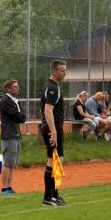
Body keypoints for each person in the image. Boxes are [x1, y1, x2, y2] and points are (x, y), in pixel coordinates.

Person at [40, 60, 67, 206]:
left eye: (65, 70)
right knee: (53, 160)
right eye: (62, 70)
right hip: (52, 127)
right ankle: (47, 197)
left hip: (54, 127)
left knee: (58, 161)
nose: (64, 73)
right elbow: (48, 111)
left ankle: (55, 194)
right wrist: (54, 132)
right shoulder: (52, 88)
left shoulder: (53, 86)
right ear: (54, 71)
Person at [0, 79, 26, 196]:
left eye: (17, 86)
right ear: (8, 89)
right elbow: (17, 116)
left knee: (12, 163)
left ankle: (9, 187)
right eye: (14, 87)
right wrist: (20, 116)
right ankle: (4, 189)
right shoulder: (6, 101)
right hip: (9, 134)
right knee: (7, 162)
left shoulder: (15, 101)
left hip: (15, 133)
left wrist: (20, 115)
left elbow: (22, 116)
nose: (17, 88)